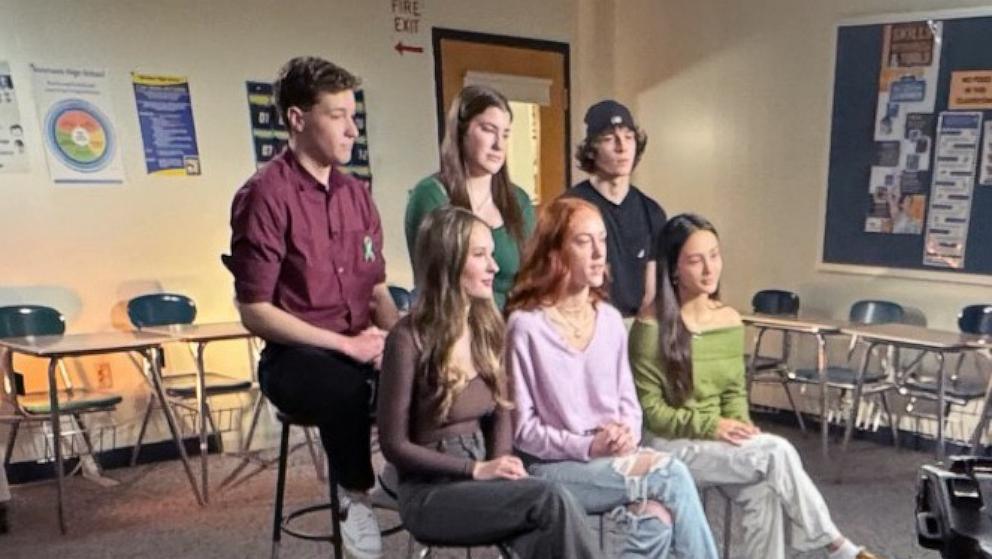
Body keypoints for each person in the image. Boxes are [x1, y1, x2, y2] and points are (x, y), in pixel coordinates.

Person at [629, 213, 882, 559]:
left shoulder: (729, 320)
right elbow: (653, 413)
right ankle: (836, 546)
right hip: (670, 447)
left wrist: (740, 425)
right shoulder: (650, 326)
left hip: (716, 443)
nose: (709, 269)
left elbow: (733, 392)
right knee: (775, 451)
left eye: (714, 255)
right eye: (695, 260)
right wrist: (714, 425)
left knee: (765, 491)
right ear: (674, 268)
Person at [225, 56, 398, 559]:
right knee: (343, 385)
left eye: (353, 114)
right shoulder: (264, 196)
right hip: (295, 355)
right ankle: (355, 498)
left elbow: (378, 290)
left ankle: (409, 477)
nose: (352, 128)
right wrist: (348, 345)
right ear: (298, 120)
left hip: (359, 342)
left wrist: (403, 339)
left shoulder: (356, 194)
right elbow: (254, 310)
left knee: (420, 365)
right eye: (338, 115)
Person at [378, 206, 600, 558]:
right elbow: (394, 445)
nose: (494, 268)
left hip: (482, 474)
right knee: (550, 500)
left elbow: (501, 412)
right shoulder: (407, 339)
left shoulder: (488, 327)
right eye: (480, 255)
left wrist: (497, 465)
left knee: (545, 529)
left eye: (491, 255)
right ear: (448, 262)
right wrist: (475, 469)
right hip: (429, 491)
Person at [506, 197, 717, 558]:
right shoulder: (526, 326)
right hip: (553, 468)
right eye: (583, 241)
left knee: (657, 517)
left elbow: (628, 406)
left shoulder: (609, 320)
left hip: (611, 460)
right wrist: (588, 447)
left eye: (601, 240)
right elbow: (523, 432)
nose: (597, 252)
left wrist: (625, 434)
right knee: (670, 475)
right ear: (555, 251)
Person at [404, 85, 535, 309]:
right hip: (451, 327)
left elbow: (531, 280)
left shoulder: (518, 200)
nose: (499, 145)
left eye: (505, 134)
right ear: (461, 130)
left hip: (510, 327)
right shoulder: (430, 195)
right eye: (488, 130)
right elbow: (432, 285)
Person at [566, 100, 666, 320]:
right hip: (584, 322)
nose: (622, 147)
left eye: (629, 137)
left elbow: (652, 292)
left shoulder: (652, 212)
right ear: (591, 150)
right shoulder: (570, 207)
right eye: (610, 139)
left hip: (636, 325)